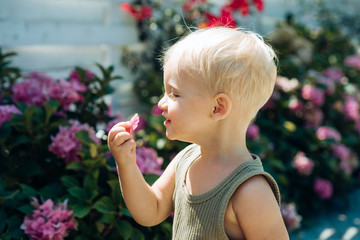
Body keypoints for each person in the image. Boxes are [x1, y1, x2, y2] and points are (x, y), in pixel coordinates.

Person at [108, 27, 289, 239]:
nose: (161, 103)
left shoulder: (250, 192)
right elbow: (151, 211)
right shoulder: (185, 161)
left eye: (174, 94)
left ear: (217, 108)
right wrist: (127, 163)